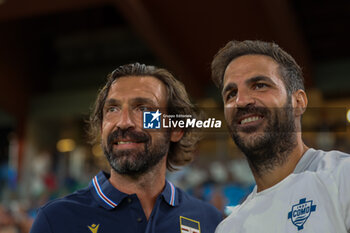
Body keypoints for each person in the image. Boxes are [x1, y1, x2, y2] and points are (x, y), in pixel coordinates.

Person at [30, 63, 222, 233]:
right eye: (112, 109)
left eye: (143, 109)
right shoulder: (56, 220)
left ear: (176, 129)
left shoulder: (209, 221)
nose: (123, 122)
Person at [211, 40, 350, 232]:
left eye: (259, 85)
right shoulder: (229, 228)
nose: (241, 101)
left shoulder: (343, 177)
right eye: (231, 94)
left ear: (298, 102)